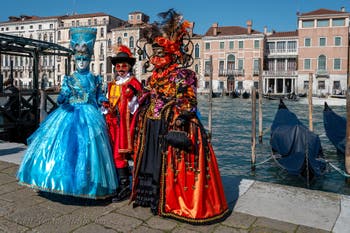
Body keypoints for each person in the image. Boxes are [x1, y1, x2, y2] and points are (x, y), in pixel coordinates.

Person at [130, 9, 230, 224]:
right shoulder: (155, 75)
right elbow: (154, 94)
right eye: (154, 54)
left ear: (171, 54)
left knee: (170, 162)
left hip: (172, 122)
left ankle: (172, 202)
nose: (156, 58)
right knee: (151, 160)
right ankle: (152, 199)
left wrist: (182, 114)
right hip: (152, 124)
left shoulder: (182, 74)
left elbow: (189, 99)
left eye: (160, 54)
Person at [16, 27, 118, 199]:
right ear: (75, 60)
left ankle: (87, 184)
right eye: (79, 59)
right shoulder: (69, 79)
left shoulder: (95, 79)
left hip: (90, 116)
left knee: (89, 149)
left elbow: (99, 95)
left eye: (84, 59)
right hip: (69, 114)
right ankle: (62, 181)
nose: (81, 62)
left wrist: (102, 100)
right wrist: (63, 97)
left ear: (89, 59)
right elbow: (63, 97)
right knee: (64, 147)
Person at [104, 45, 142, 202]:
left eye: (124, 65)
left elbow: (136, 105)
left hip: (125, 125)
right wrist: (106, 107)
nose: (120, 69)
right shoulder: (112, 84)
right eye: (118, 66)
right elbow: (107, 102)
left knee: (119, 153)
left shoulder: (134, 83)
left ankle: (125, 186)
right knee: (111, 152)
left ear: (130, 67)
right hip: (110, 123)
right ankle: (118, 183)